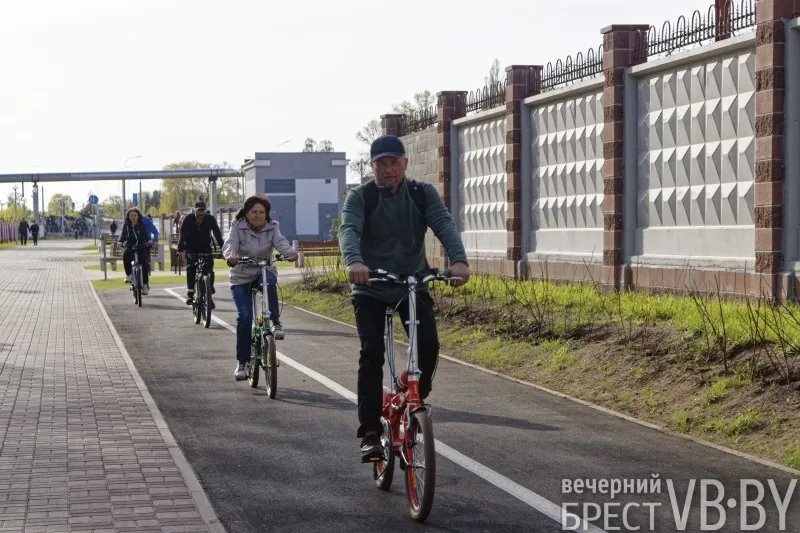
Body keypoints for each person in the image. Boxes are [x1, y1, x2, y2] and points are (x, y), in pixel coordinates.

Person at [338, 134, 470, 462]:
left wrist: (459, 260)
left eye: (393, 162)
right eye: (381, 163)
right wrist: (354, 262)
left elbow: (444, 225)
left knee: (429, 345)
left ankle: (414, 397)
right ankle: (369, 432)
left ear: (405, 164)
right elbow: (349, 230)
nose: (388, 169)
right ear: (372, 167)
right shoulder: (361, 197)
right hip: (370, 287)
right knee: (372, 350)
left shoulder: (421, 194)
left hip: (412, 283)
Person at [223, 195, 297, 381]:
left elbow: (280, 242)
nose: (258, 215)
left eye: (262, 212)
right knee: (245, 317)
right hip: (240, 275)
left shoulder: (272, 227)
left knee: (269, 282)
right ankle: (242, 362)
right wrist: (231, 255)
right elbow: (230, 244)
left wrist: (289, 253)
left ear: (267, 214)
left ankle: (276, 322)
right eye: (254, 212)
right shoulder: (237, 226)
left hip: (263, 270)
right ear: (246, 214)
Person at [178, 201, 224, 306]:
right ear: (195, 210)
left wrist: (223, 248)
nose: (201, 213)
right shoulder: (188, 219)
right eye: (199, 210)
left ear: (205, 210)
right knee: (191, 269)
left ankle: (209, 291)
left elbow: (217, 233)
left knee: (209, 269)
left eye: (203, 210)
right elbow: (183, 235)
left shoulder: (210, 219)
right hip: (191, 248)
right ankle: (190, 293)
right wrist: (180, 249)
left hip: (205, 247)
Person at [119, 207, 153, 295]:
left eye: (135, 215)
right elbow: (123, 235)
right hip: (130, 245)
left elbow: (146, 234)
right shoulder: (126, 225)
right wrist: (120, 241)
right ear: (128, 217)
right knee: (126, 255)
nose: (133, 217)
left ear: (138, 216)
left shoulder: (142, 224)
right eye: (131, 216)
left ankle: (145, 284)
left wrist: (149, 240)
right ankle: (129, 275)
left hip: (141, 245)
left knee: (144, 264)